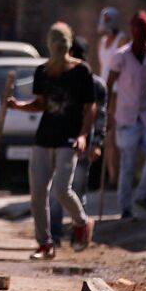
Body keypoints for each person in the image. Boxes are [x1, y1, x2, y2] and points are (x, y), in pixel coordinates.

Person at [8, 22, 96, 258]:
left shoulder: (81, 72)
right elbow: (41, 105)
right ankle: (45, 244)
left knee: (61, 189)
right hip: (44, 138)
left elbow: (90, 108)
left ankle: (81, 222)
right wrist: (18, 106)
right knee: (37, 193)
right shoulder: (43, 72)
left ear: (67, 44)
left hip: (69, 139)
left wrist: (83, 135)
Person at [107, 11, 146, 218]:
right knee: (128, 164)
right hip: (126, 117)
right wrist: (107, 112)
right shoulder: (121, 57)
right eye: (135, 30)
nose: (138, 35)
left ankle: (142, 194)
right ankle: (125, 207)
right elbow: (109, 83)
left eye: (142, 31)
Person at [50, 35, 107, 245]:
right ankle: (54, 236)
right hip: (60, 143)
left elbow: (100, 116)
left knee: (77, 191)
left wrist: (97, 143)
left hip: (82, 145)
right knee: (56, 192)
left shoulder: (96, 85)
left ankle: (78, 234)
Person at [97, 6, 128, 189]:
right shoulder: (102, 41)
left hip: (118, 93)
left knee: (116, 135)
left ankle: (118, 177)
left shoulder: (122, 40)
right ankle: (110, 175)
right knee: (107, 136)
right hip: (104, 91)